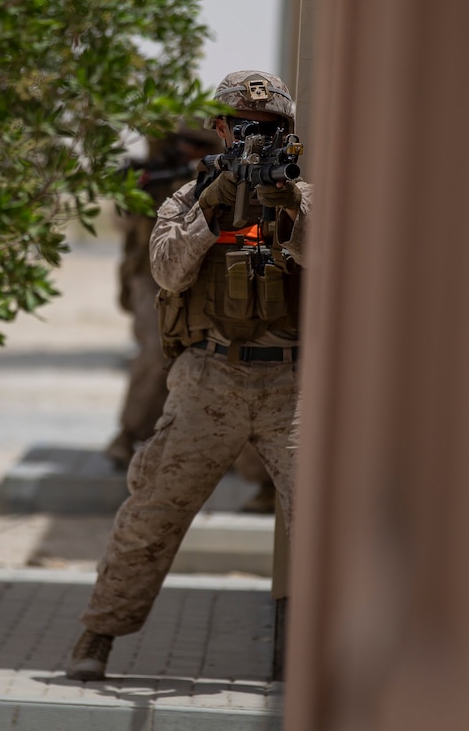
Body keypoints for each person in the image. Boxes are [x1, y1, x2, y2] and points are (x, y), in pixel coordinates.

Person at [67, 70, 312, 681]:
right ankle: (98, 635)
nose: (255, 138)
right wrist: (210, 205)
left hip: (292, 388)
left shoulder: (307, 197)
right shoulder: (188, 196)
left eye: (270, 129)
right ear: (221, 131)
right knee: (151, 512)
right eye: (244, 127)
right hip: (210, 382)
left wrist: (293, 214)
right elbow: (171, 274)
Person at [104, 124, 278, 513]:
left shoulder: (237, 172)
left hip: (219, 280)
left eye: (197, 145)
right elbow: (127, 218)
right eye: (179, 143)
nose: (185, 150)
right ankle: (131, 437)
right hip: (156, 277)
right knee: (156, 353)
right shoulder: (152, 176)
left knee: (239, 362)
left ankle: (257, 476)